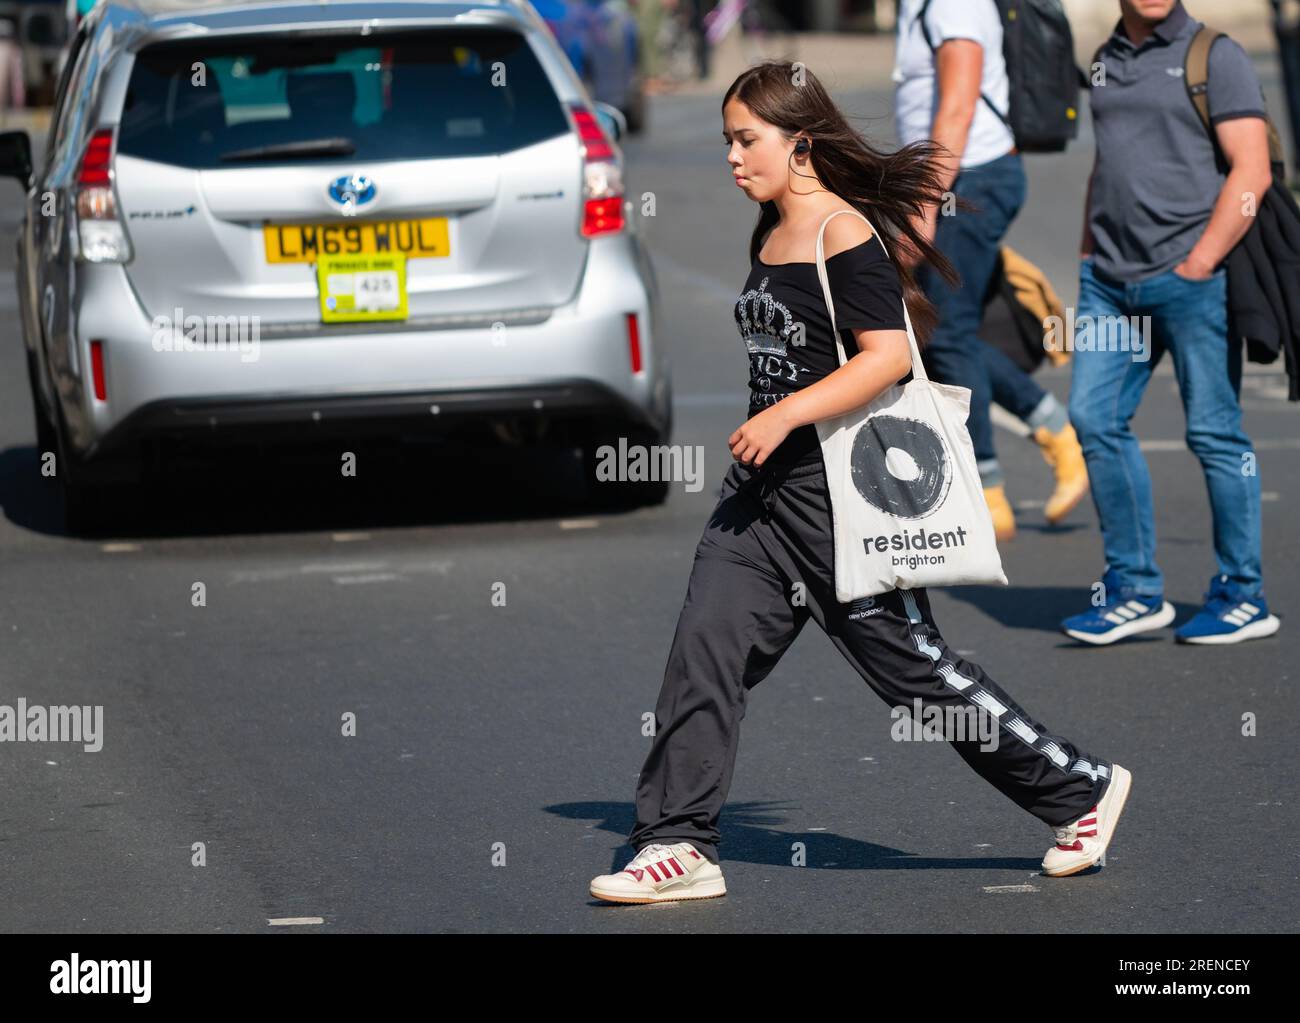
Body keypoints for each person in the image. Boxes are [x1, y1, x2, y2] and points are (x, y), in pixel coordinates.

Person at [587, 60, 1132, 904]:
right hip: (759, 499)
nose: (733, 158)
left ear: (800, 143)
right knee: (705, 649)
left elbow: (883, 359)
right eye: (727, 141)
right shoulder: (769, 228)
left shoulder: (844, 234)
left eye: (746, 140)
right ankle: (677, 841)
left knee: (914, 672)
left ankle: (1080, 789)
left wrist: (783, 415)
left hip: (842, 495)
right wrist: (768, 430)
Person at [1060, 0, 1281, 646]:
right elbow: (1108, 164)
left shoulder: (1217, 56)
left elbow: (1253, 170)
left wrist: (1201, 261)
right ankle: (1133, 589)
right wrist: (1085, 256)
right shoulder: (1105, 60)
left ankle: (1244, 594)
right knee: (1093, 417)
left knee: (1216, 434)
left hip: (1191, 281)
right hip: (1107, 283)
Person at [892, 0, 1089, 541]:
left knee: (946, 335)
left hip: (968, 185)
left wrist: (924, 205)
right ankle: (1056, 430)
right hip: (958, 182)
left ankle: (987, 493)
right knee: (941, 334)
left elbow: (957, 104)